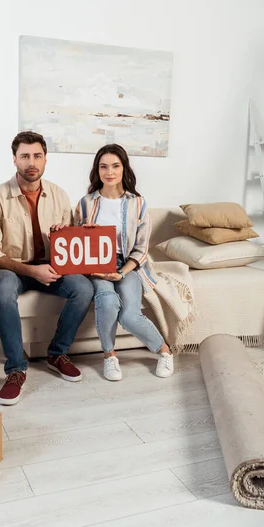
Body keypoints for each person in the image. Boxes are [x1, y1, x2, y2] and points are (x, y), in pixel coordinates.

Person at [0, 131, 94, 405]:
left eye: (37, 156)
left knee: (83, 288)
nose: (31, 162)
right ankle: (16, 369)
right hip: (12, 268)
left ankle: (57, 353)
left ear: (45, 159)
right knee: (4, 285)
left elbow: (71, 242)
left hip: (51, 266)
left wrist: (67, 231)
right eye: (25, 156)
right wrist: (32, 271)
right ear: (14, 160)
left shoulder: (59, 195)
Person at [75, 143, 174, 382]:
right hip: (97, 264)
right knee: (107, 302)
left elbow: (141, 248)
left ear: (123, 168)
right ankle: (109, 356)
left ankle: (164, 351)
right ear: (97, 171)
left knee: (129, 315)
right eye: (104, 166)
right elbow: (75, 241)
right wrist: (84, 234)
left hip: (129, 264)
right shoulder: (86, 203)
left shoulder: (137, 203)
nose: (109, 172)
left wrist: (121, 273)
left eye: (115, 166)